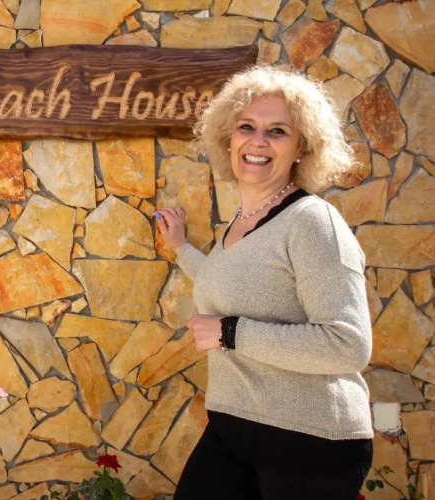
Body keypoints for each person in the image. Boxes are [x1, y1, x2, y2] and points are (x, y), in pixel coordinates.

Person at [155, 66, 373, 500]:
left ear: (301, 148)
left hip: (308, 439)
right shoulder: (239, 224)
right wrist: (181, 248)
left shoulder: (312, 222)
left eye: (277, 131)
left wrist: (229, 332)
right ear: (227, 138)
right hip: (234, 426)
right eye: (246, 127)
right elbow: (228, 281)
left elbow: (349, 345)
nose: (258, 141)